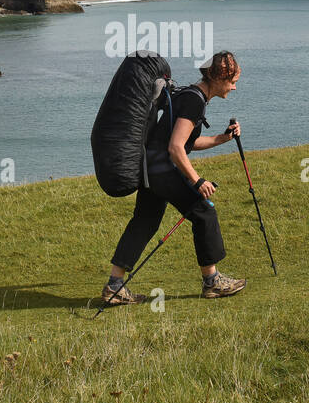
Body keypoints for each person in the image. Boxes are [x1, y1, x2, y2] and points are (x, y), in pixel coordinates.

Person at [102, 50, 247, 305]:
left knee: (144, 222)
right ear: (219, 77)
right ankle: (212, 282)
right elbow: (175, 148)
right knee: (204, 213)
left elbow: (186, 142)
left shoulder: (190, 95)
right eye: (233, 81)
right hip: (164, 170)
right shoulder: (194, 101)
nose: (235, 88)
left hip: (151, 170)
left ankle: (115, 286)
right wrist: (197, 180)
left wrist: (222, 138)